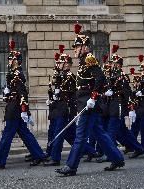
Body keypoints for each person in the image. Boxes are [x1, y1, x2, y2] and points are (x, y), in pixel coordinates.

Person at [55, 23, 125, 176]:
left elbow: (100, 79)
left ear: (85, 47)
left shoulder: (89, 58)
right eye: (75, 46)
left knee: (80, 136)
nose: (75, 49)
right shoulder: (82, 62)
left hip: (89, 103)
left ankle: (71, 166)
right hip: (83, 102)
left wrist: (93, 97)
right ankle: (118, 159)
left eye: (77, 46)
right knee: (100, 134)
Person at [0, 40, 46, 169]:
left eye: (11, 59)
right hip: (14, 107)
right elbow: (14, 92)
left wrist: (24, 110)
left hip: (15, 109)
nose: (8, 60)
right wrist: (7, 94)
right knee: (25, 133)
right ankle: (39, 155)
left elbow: (23, 93)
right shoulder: (12, 74)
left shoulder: (17, 74)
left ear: (16, 61)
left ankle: (0, 160)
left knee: (7, 135)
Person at [105, 45, 144, 159]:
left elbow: (127, 93)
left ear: (118, 65)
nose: (111, 65)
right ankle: (139, 148)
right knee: (123, 131)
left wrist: (131, 108)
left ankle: (111, 155)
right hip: (112, 105)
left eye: (113, 63)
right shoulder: (112, 75)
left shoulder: (122, 77)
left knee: (111, 130)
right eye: (111, 63)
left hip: (118, 106)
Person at [44, 46, 77, 166]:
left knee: (59, 132)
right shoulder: (58, 75)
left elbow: (73, 95)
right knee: (57, 132)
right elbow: (53, 89)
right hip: (55, 107)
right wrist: (51, 99)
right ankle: (90, 151)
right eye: (58, 63)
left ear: (67, 64)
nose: (58, 64)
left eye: (61, 62)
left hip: (64, 108)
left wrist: (73, 110)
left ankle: (55, 157)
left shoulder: (71, 77)